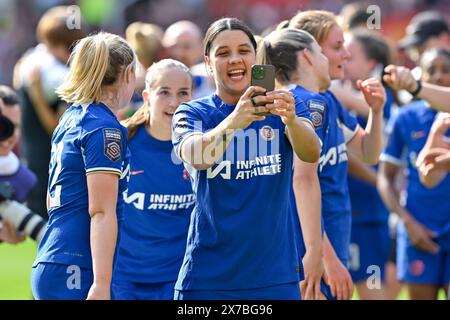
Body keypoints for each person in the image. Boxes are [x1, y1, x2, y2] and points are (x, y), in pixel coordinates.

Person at [171, 17, 321, 300]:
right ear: (208, 63)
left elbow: (311, 151)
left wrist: (291, 120)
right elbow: (197, 156)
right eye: (223, 53)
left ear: (257, 58)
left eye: (243, 51)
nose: (235, 60)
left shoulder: (284, 104)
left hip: (275, 275)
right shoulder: (192, 113)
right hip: (208, 278)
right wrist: (236, 120)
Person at [30, 32, 136, 300]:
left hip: (55, 256)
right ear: (126, 74)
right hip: (78, 266)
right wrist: (101, 283)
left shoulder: (72, 118)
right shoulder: (103, 129)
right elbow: (100, 211)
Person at [289, 10, 386, 300]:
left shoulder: (327, 100)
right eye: (336, 46)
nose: (345, 53)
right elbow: (300, 189)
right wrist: (323, 256)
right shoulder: (297, 105)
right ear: (309, 54)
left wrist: (376, 111)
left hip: (332, 241)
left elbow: (369, 152)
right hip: (310, 251)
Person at [112, 59, 195, 300]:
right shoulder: (120, 141)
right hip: (124, 278)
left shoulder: (201, 147)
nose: (174, 102)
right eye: (164, 92)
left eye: (183, 93)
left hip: (180, 279)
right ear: (147, 97)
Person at [378, 48, 450, 300]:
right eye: (432, 70)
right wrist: (407, 222)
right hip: (419, 228)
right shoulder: (405, 117)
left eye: (446, 70)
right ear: (420, 73)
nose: (439, 76)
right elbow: (385, 177)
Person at [341, 30, 401, 300]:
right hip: (339, 216)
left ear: (371, 64)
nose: (343, 58)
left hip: (368, 216)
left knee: (372, 291)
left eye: (350, 56)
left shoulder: (380, 103)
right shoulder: (340, 97)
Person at [13, 6, 86, 219]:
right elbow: (57, 128)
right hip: (46, 159)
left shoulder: (34, 63)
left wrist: (36, 95)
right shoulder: (56, 75)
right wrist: (36, 96)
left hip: (45, 158)